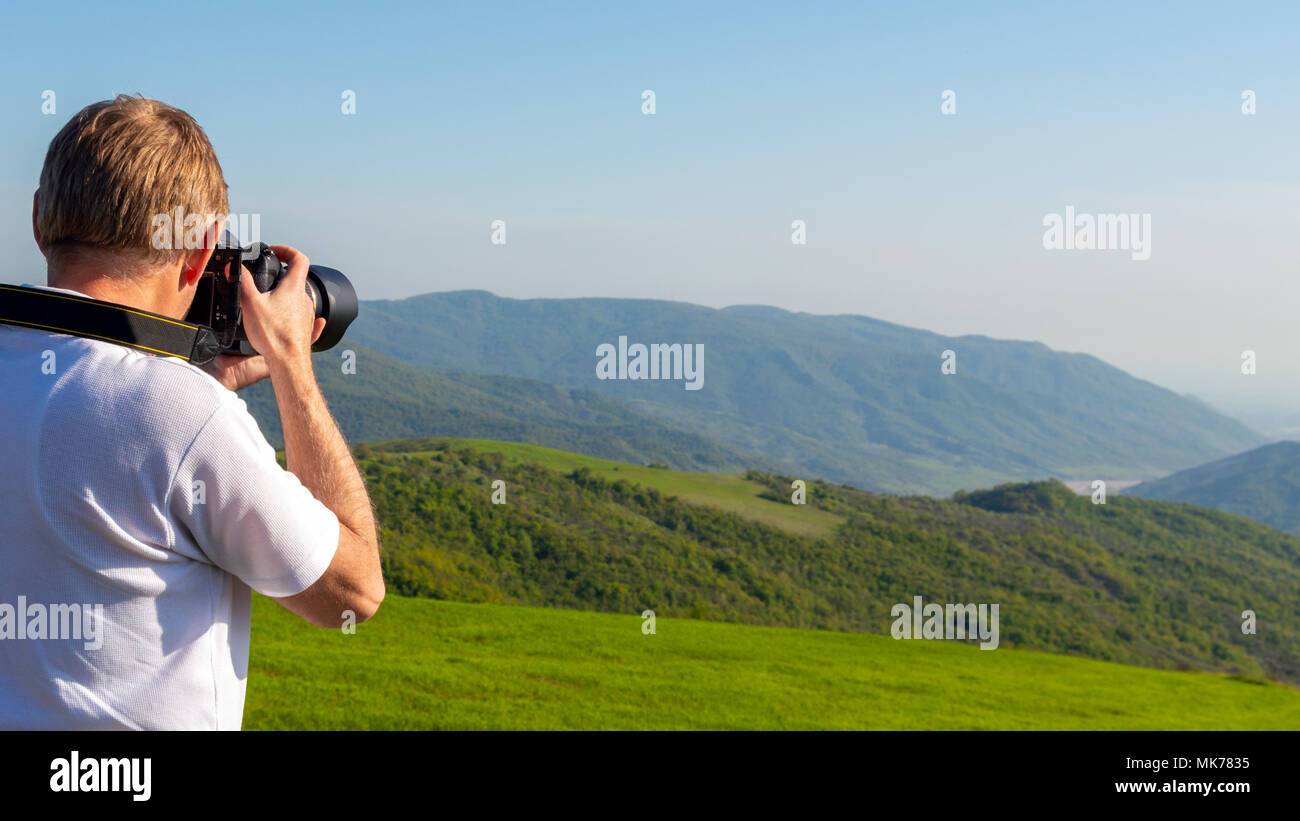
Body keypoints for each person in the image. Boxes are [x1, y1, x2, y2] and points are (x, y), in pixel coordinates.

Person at [0, 95, 384, 729]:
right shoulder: (181, 414)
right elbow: (352, 591)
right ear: (203, 249)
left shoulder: (174, 406)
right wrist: (290, 363)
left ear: (39, 219)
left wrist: (200, 390)